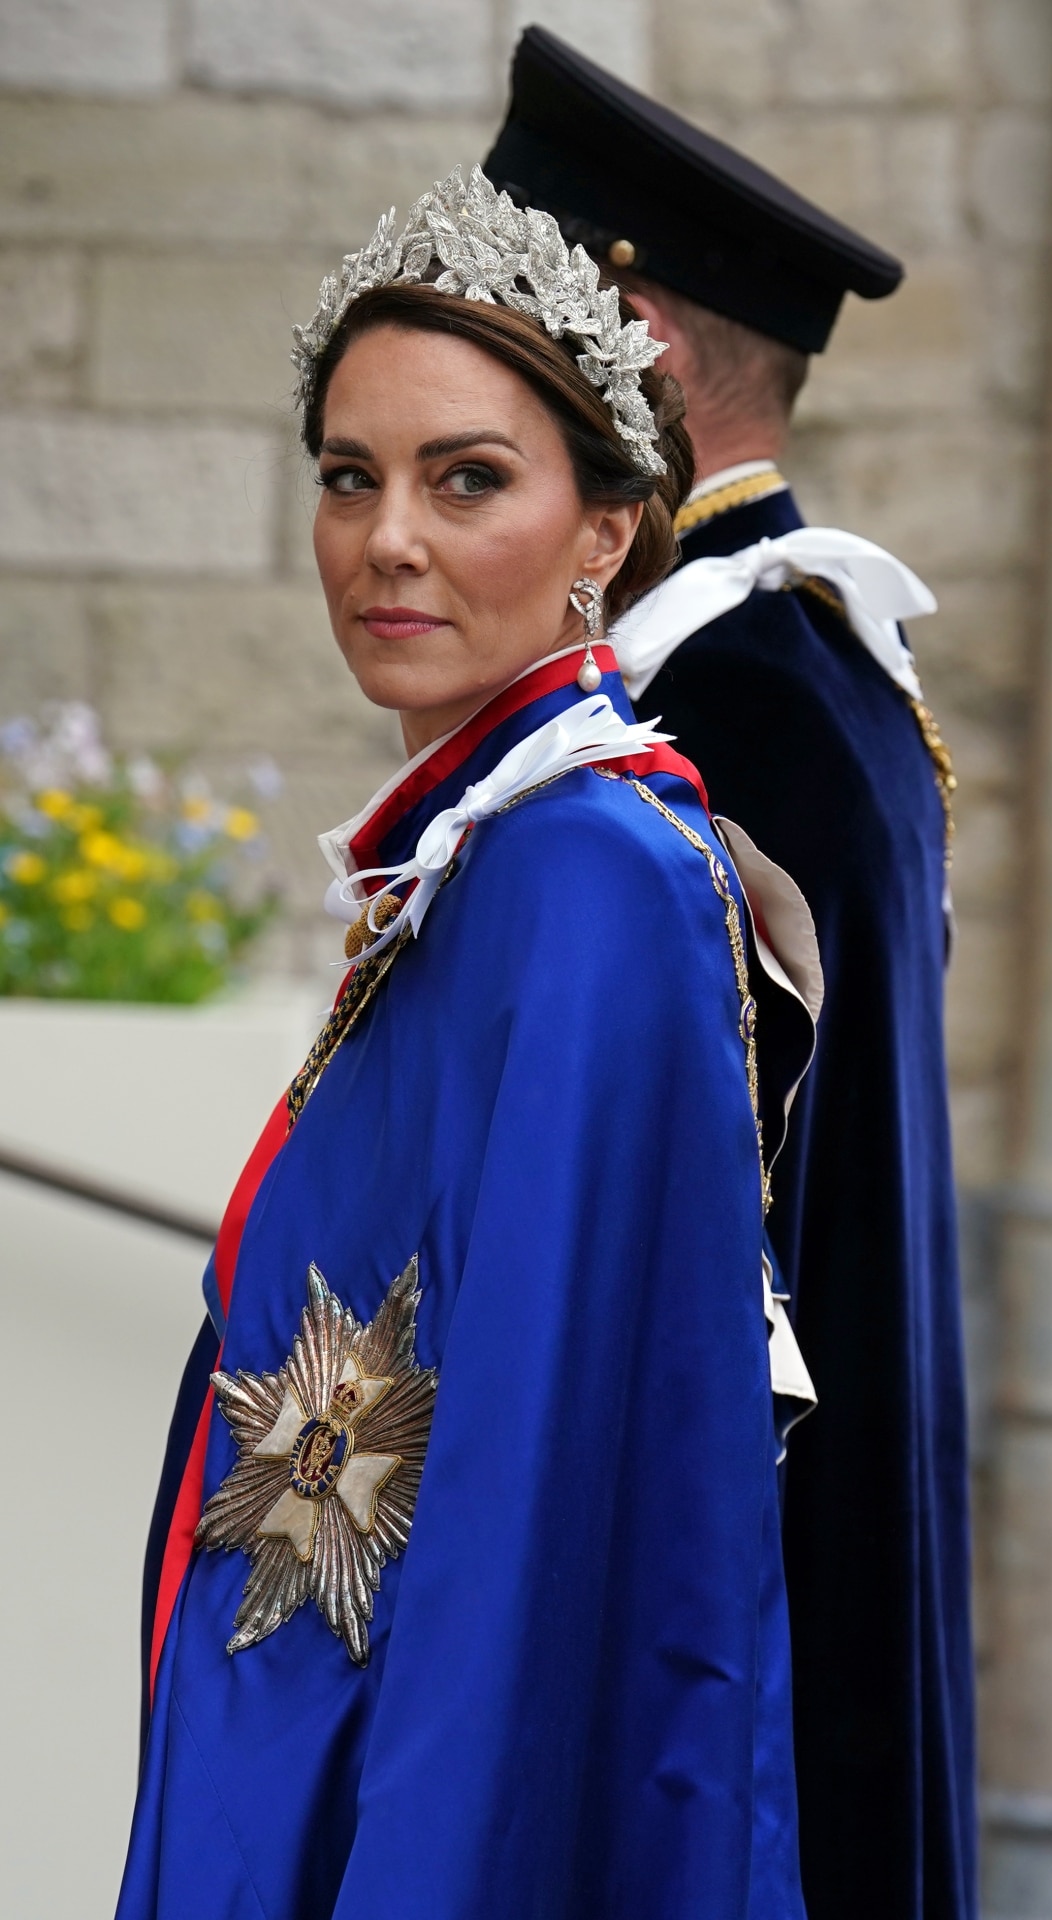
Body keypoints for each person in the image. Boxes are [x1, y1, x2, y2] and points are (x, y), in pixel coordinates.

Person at [116, 166, 822, 1920]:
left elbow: (537, 1497)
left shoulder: (589, 875)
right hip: (314, 1730)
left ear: (606, 531)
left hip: (409, 1793)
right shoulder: (491, 845)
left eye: (468, 479)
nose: (388, 541)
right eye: (348, 479)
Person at [486, 31, 976, 1920]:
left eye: (515, 324)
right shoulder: (799, 666)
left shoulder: (723, 704)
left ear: (645, 351)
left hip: (730, 1600)